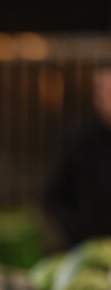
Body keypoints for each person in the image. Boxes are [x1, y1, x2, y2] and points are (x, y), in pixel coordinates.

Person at [45, 63, 111, 249]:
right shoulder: (79, 137)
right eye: (105, 92)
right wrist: (77, 233)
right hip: (88, 248)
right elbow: (54, 195)